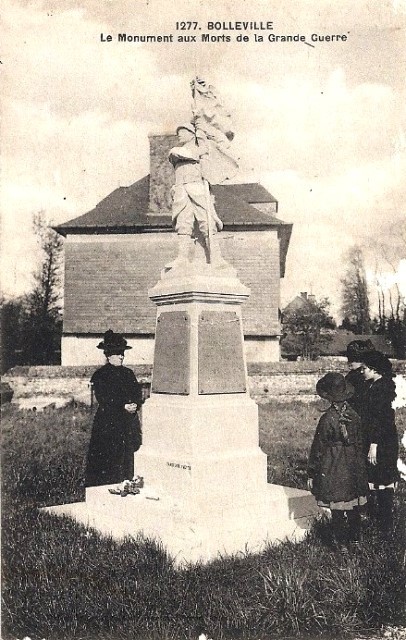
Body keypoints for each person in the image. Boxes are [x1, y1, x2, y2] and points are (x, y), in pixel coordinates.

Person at [308, 373, 368, 546]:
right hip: (353, 464)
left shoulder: (327, 419)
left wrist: (312, 472)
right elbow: (360, 441)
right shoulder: (355, 416)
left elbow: (318, 447)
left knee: (337, 504)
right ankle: (356, 539)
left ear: (328, 397)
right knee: (353, 503)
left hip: (333, 465)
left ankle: (341, 543)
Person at [85, 330, 143, 487]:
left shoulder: (128, 374)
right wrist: (122, 406)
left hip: (128, 423)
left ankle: (126, 483)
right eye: (118, 353)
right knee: (108, 456)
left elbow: (138, 393)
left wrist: (135, 404)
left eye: (122, 353)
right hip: (108, 423)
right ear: (109, 355)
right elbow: (103, 399)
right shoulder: (101, 375)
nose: (121, 356)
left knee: (128, 455)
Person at [167, 122, 224, 269]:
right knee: (183, 224)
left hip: (197, 188)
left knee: (207, 222)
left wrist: (205, 151)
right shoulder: (179, 151)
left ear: (192, 134)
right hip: (181, 190)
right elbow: (175, 153)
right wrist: (201, 151)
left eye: (183, 131)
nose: (179, 134)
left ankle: (216, 258)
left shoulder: (203, 151)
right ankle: (182, 258)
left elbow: (210, 171)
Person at [360, 350, 399, 538]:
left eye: (365, 368)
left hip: (381, 440)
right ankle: (381, 521)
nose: (362, 371)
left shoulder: (380, 389)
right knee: (379, 479)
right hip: (383, 439)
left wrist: (374, 444)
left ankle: (385, 525)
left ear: (375, 370)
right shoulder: (377, 385)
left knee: (382, 480)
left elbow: (381, 419)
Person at [345, 339, 375, 419]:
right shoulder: (351, 376)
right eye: (349, 359)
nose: (349, 363)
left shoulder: (362, 376)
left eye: (354, 360)